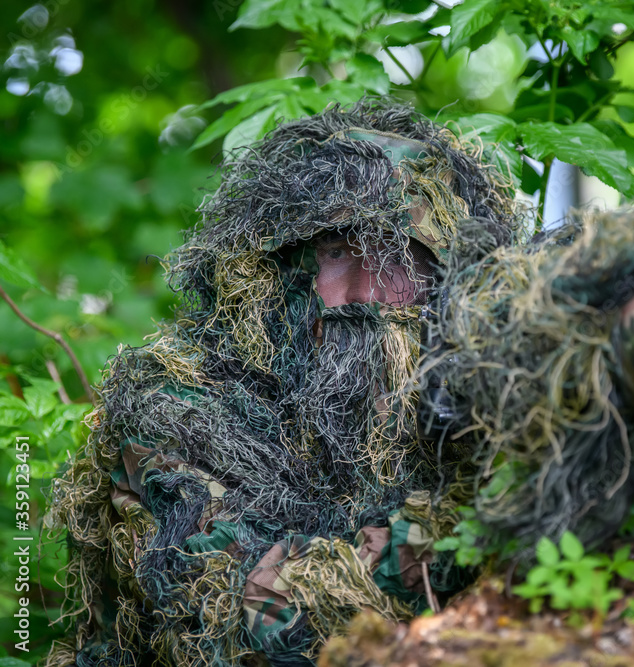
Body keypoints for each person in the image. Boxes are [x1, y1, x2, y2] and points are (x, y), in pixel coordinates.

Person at [45, 99, 522, 667]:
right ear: (275, 271)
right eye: (338, 253)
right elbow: (242, 623)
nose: (365, 291)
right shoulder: (179, 403)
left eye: (398, 260)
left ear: (445, 281)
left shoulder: (475, 397)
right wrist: (456, 526)